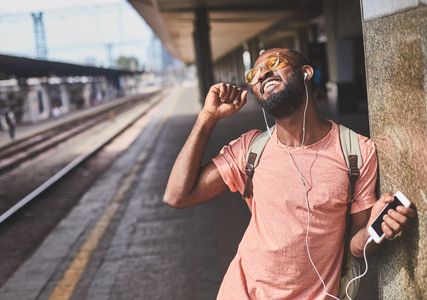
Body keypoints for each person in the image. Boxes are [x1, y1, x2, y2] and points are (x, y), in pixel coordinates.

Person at [164, 48, 416, 299]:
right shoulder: (250, 149)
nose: (262, 74)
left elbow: (356, 247)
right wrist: (207, 117)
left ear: (306, 72)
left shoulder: (356, 152)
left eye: (273, 62)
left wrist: (377, 228)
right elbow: (177, 196)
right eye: (255, 73)